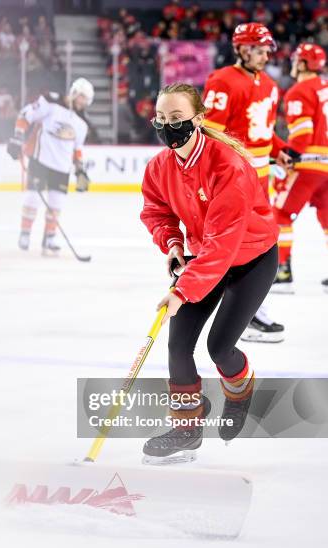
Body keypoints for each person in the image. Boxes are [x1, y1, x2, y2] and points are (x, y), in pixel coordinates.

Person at [140, 83, 279, 463]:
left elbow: (224, 242)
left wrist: (182, 292)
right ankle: (187, 429)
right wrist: (171, 245)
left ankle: (240, 389)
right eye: (162, 118)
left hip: (251, 258)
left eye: (177, 118)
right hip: (205, 260)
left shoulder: (228, 166)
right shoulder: (159, 167)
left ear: (198, 119)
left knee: (220, 347)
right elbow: (157, 212)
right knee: (178, 346)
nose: (168, 126)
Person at [203, 22, 290, 342]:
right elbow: (211, 133)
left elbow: (264, 132)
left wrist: (279, 151)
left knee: (259, 243)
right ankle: (245, 313)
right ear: (241, 48)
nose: (266, 54)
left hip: (260, 181)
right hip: (234, 180)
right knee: (240, 245)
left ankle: (243, 309)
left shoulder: (269, 84)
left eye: (268, 49)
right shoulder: (222, 81)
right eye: (259, 48)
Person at [7, 78, 94, 255]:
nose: (83, 101)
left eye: (86, 99)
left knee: (56, 203)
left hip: (61, 168)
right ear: (74, 92)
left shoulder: (82, 124)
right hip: (40, 160)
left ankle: (49, 238)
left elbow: (77, 149)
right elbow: (26, 114)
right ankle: (25, 233)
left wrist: (79, 170)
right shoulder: (51, 102)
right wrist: (17, 137)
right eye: (82, 96)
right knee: (32, 198)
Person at [271, 43, 328, 294]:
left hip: (309, 165)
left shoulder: (299, 91)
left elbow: (302, 135)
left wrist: (288, 155)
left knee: (280, 213)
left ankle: (282, 270)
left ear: (304, 63)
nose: (293, 63)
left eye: (297, 59)